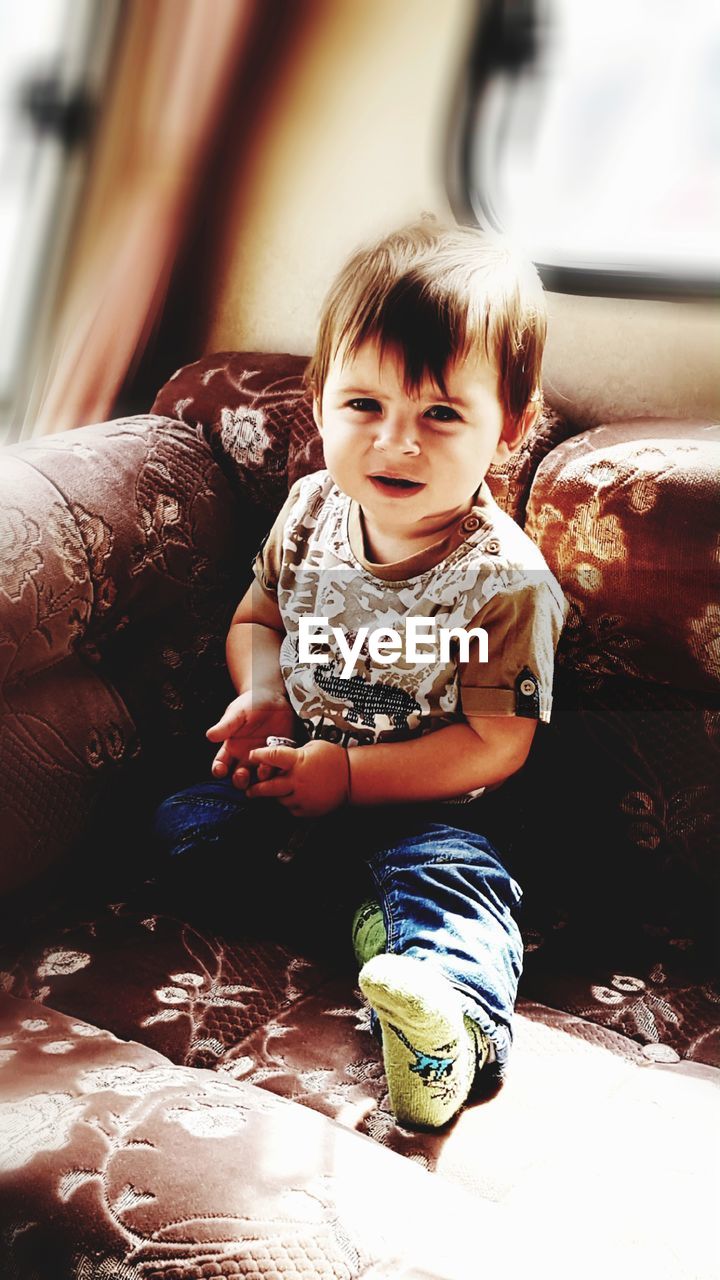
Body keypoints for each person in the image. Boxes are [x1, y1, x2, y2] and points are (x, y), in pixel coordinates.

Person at [154, 220, 567, 1130]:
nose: (397, 442)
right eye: (365, 405)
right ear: (320, 398)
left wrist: (351, 778)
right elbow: (258, 619)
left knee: (454, 896)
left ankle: (445, 1025)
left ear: (512, 427)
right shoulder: (308, 514)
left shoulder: (506, 582)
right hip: (299, 782)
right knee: (182, 829)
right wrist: (261, 693)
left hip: (435, 812)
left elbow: (497, 742)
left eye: (442, 415)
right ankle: (362, 921)